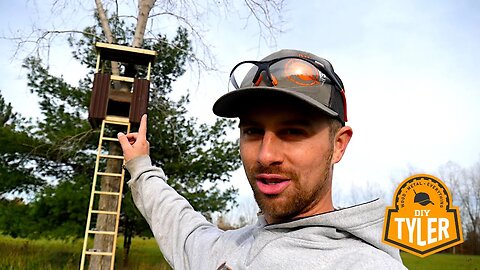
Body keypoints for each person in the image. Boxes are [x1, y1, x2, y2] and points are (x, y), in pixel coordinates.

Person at [117, 49, 407, 269]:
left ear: (339, 145)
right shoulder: (221, 250)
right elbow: (178, 222)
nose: (266, 155)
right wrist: (140, 164)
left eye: (293, 131)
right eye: (253, 131)